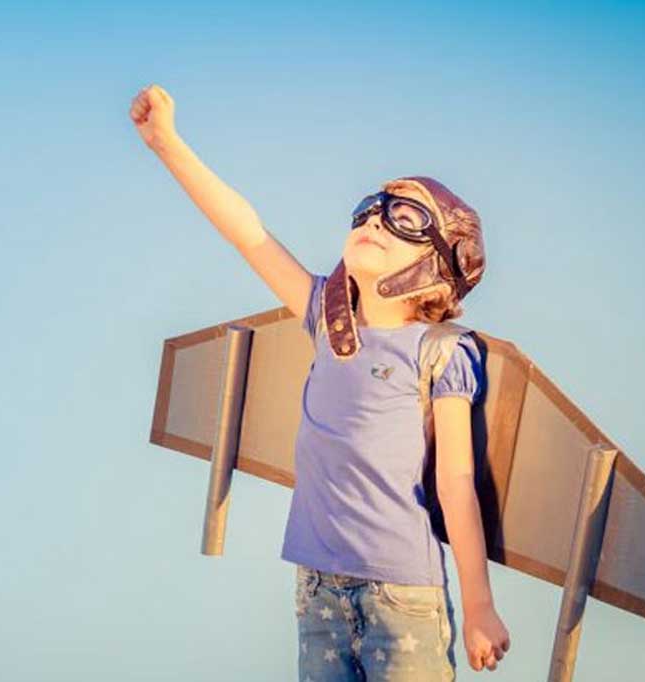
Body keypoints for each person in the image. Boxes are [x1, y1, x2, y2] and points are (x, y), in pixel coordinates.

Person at [130, 83, 511, 680]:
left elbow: (456, 481)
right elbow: (248, 233)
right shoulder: (324, 321)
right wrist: (168, 145)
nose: (375, 222)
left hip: (402, 598)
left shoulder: (440, 350)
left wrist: (481, 604)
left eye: (404, 218)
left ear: (437, 262)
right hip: (317, 593)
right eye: (369, 210)